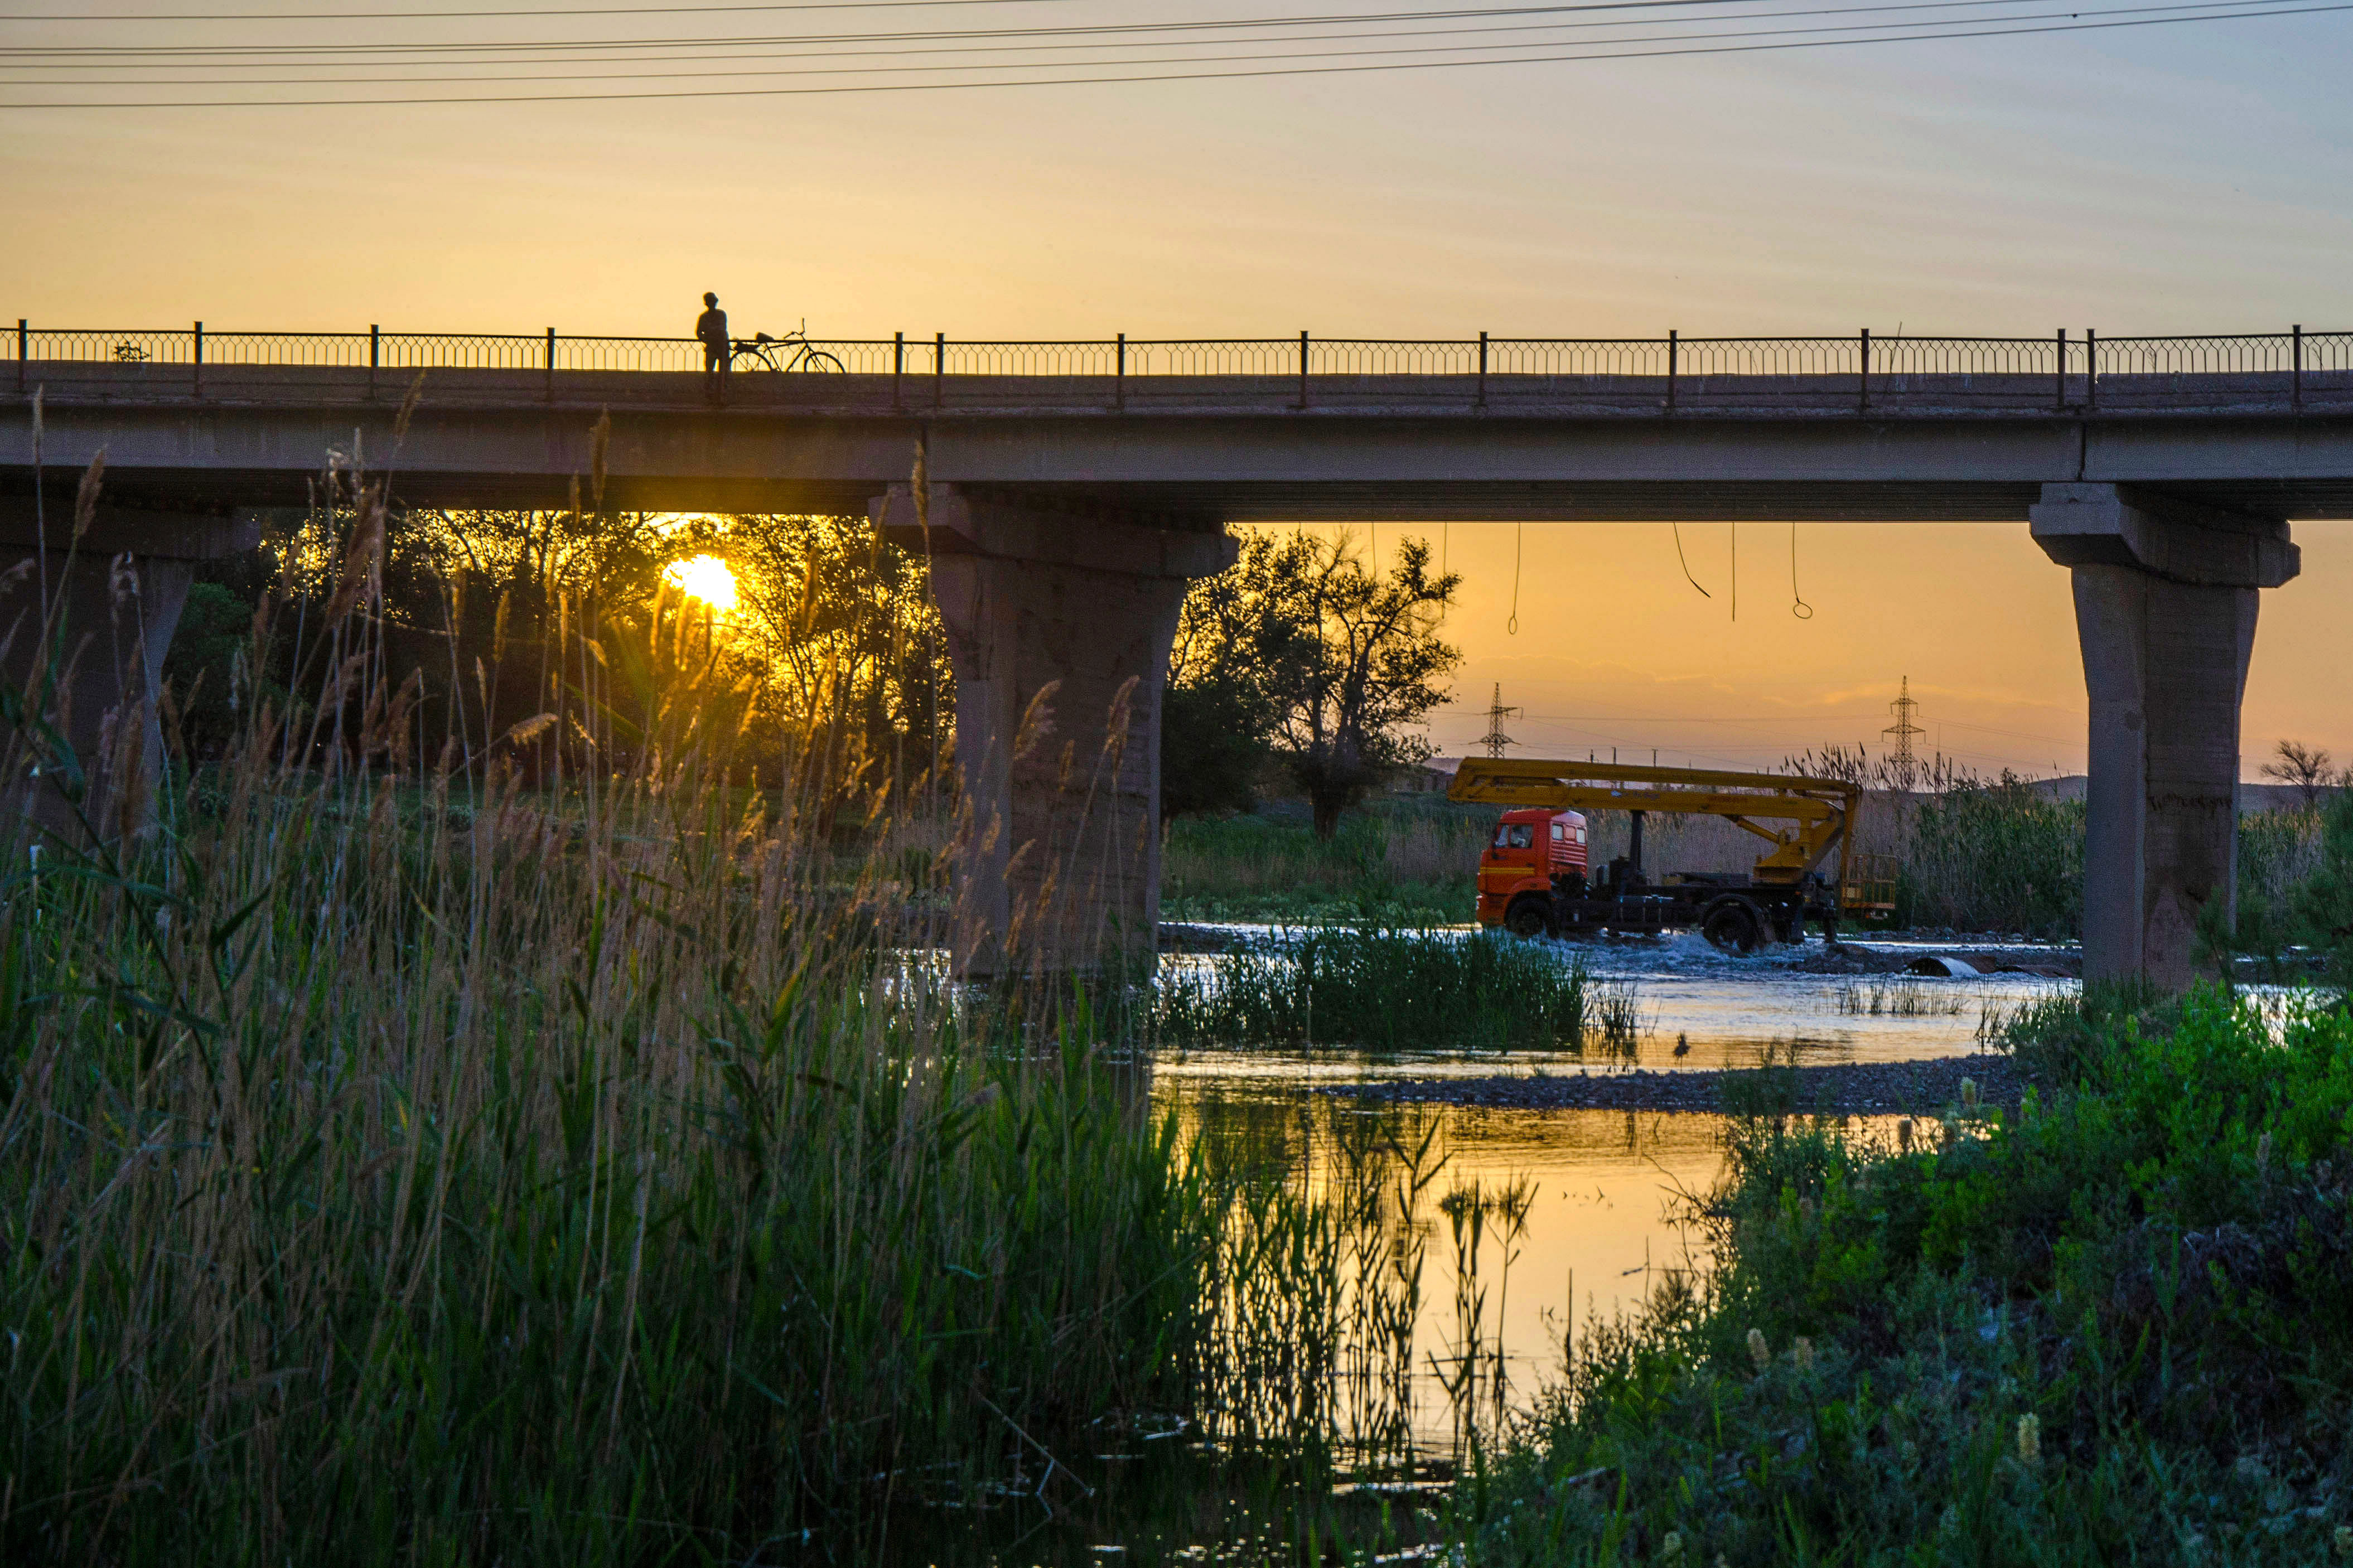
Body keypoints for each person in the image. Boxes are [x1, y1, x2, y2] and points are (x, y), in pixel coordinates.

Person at [695, 292, 729, 402]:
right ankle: (710, 394)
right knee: (710, 371)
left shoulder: (721, 314)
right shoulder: (704, 317)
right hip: (712, 347)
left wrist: (709, 333)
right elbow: (699, 332)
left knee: (723, 371)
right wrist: (707, 339)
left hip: (722, 346)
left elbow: (722, 329)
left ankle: (723, 393)